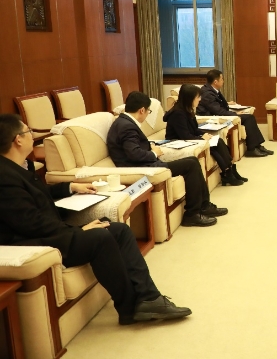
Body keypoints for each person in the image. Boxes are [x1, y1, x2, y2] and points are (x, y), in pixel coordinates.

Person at [0, 114, 192, 325]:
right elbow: (30, 223)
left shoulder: (20, 166)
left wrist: (70, 187)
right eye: (28, 131)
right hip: (34, 241)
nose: (31, 134)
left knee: (118, 230)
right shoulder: (4, 177)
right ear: (18, 140)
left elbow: (37, 194)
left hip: (51, 231)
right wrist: (78, 231)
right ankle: (128, 308)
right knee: (101, 237)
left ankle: (149, 298)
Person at [107, 92, 226, 228]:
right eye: (149, 111)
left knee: (192, 161)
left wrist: (150, 146)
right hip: (143, 169)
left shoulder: (124, 122)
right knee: (191, 165)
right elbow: (134, 154)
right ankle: (192, 214)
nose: (147, 114)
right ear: (142, 110)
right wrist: (153, 153)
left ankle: (204, 206)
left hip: (146, 164)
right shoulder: (126, 126)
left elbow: (133, 147)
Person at [164, 84, 247, 186]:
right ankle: (227, 173)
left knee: (219, 141)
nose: (200, 99)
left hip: (188, 138)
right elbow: (185, 135)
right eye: (198, 97)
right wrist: (201, 138)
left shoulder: (188, 109)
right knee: (212, 148)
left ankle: (230, 170)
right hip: (178, 142)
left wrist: (204, 134)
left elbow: (194, 129)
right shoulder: (178, 114)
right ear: (190, 98)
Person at [197, 70, 273, 158]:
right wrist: (234, 114)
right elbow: (218, 111)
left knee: (249, 117)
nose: (223, 81)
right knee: (248, 118)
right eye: (222, 79)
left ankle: (257, 146)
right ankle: (251, 149)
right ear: (215, 82)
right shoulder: (207, 93)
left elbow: (219, 105)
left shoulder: (212, 89)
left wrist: (231, 108)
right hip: (214, 119)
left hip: (219, 115)